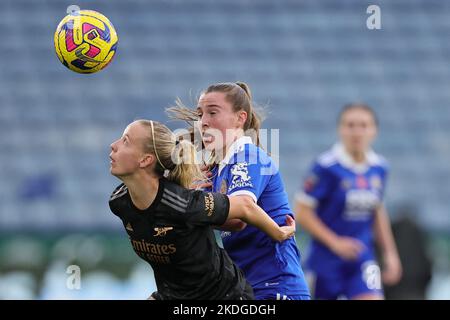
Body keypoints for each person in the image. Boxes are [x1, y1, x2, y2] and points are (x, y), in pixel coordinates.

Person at [108, 119, 296, 300]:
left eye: (125, 141)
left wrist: (278, 233)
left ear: (145, 160)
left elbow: (245, 207)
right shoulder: (119, 202)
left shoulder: (184, 203)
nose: (113, 145)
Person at [168, 82, 311, 300]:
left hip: (276, 285)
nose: (203, 122)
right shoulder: (217, 170)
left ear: (240, 118)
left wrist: (192, 207)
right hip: (245, 289)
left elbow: (237, 218)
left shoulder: (247, 157)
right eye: (200, 114)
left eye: (213, 112)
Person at [294, 103, 403, 300]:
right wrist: (335, 243)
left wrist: (390, 253)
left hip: (362, 258)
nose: (357, 131)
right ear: (340, 129)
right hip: (325, 260)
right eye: (350, 125)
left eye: (363, 125)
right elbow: (302, 212)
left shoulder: (379, 168)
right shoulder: (326, 167)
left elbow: (377, 211)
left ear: (374, 130)